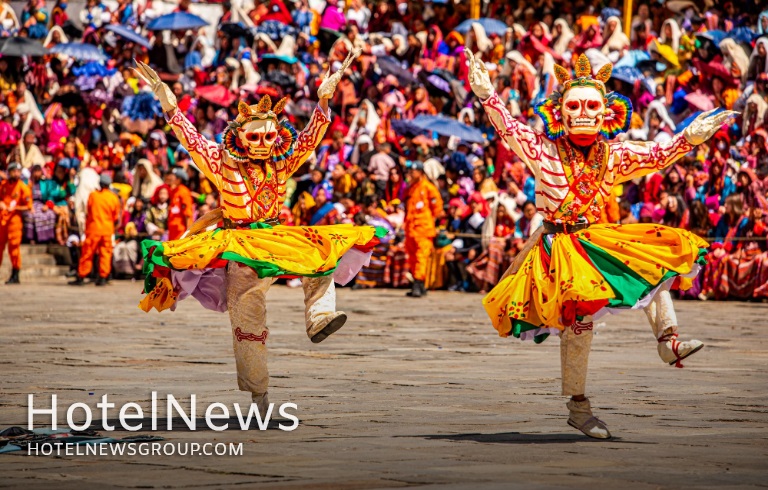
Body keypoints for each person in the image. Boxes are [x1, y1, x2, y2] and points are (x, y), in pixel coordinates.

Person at [467, 49, 736, 439]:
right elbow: (508, 129)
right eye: (573, 105)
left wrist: (690, 137)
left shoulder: (613, 156)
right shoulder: (543, 151)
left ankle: (669, 340)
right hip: (557, 245)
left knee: (651, 261)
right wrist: (487, 93)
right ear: (558, 111)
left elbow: (657, 155)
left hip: (593, 236)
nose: (582, 112)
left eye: (591, 105)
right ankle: (578, 406)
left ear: (606, 113)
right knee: (580, 325)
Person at [133, 52, 383, 414]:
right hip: (238, 244)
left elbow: (308, 142)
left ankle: (320, 318)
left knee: (321, 255)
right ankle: (259, 397)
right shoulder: (222, 162)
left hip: (275, 238)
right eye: (256, 137)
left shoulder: (282, 162)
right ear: (240, 137)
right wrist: (170, 106)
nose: (264, 143)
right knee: (247, 320)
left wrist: (324, 101)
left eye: (269, 135)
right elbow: (192, 141)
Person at [70, 173, 120, 286]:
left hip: (94, 228)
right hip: (107, 229)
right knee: (105, 254)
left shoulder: (93, 195)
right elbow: (116, 216)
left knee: (87, 253)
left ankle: (82, 276)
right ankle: (103, 277)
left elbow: (89, 211)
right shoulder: (113, 197)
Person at [404, 160, 443, 298]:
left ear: (420, 172)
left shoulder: (428, 188)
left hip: (423, 229)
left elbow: (437, 208)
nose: (411, 173)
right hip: (411, 229)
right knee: (412, 257)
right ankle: (418, 284)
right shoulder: (411, 188)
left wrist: (430, 221)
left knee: (421, 257)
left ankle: (418, 283)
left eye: (413, 171)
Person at [0, 162, 31, 284]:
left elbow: (29, 206)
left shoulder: (23, 187)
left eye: (18, 171)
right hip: (2, 220)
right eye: (14, 171)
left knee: (14, 248)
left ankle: (15, 272)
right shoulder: (3, 185)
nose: (16, 173)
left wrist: (16, 208)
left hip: (14, 221)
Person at [165, 168, 193, 241]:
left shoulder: (184, 192)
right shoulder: (174, 191)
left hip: (181, 232)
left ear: (179, 179)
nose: (170, 178)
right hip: (173, 232)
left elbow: (188, 214)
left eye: (173, 176)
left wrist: (188, 233)